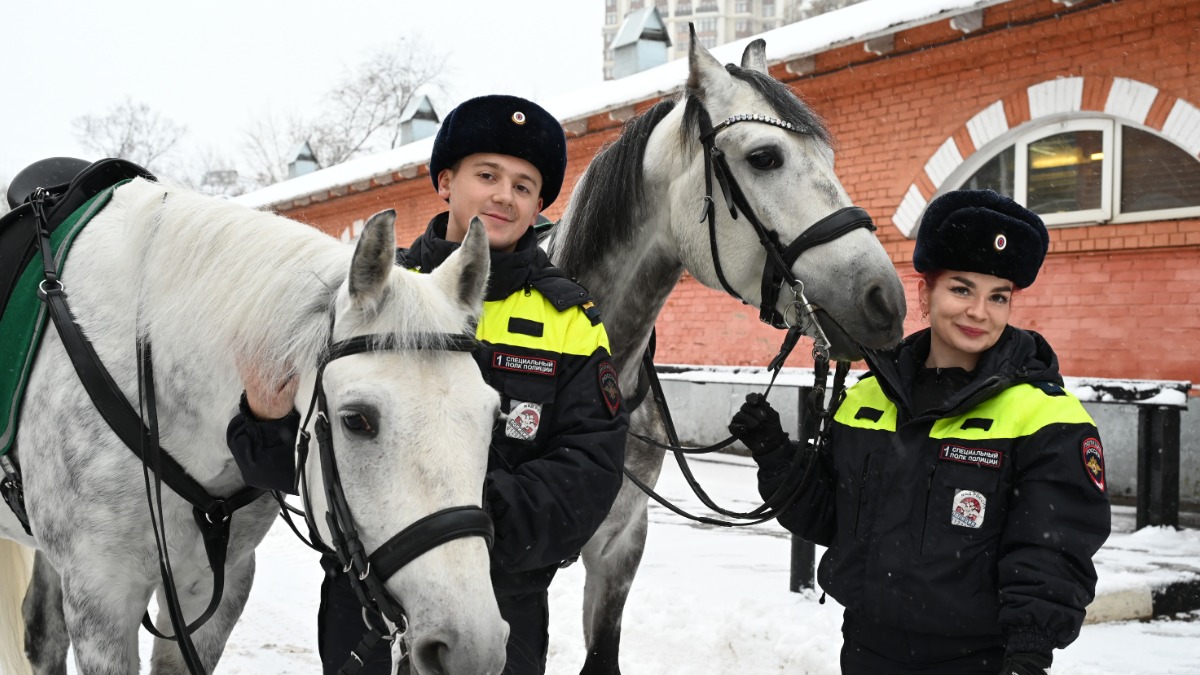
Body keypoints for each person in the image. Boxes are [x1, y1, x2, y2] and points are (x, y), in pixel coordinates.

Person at [226, 95, 629, 675]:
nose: (503, 195)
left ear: (540, 205)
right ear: (445, 181)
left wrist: (458, 524)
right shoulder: (368, 297)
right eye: (486, 175)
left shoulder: (570, 321)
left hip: (494, 614)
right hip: (362, 614)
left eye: (523, 186)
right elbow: (296, 466)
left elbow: (591, 469)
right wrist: (264, 421)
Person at [729, 190, 1111, 675]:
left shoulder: (1046, 417)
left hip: (979, 661)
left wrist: (1030, 650)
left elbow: (1052, 547)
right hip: (866, 650)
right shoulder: (868, 398)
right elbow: (832, 520)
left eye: (999, 297)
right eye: (962, 289)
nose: (979, 312)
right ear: (924, 291)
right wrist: (776, 454)